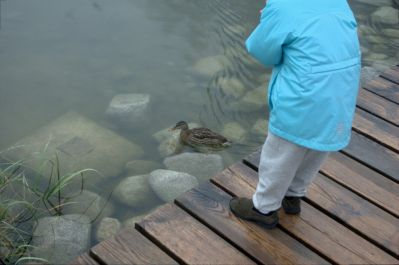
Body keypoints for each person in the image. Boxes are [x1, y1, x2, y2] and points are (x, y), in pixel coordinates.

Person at [229, 0, 361, 229]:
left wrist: (268, 20)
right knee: (316, 148)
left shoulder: (282, 7)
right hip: (341, 93)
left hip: (304, 99)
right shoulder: (338, 2)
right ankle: (293, 195)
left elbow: (262, 51)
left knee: (279, 154)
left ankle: (264, 208)